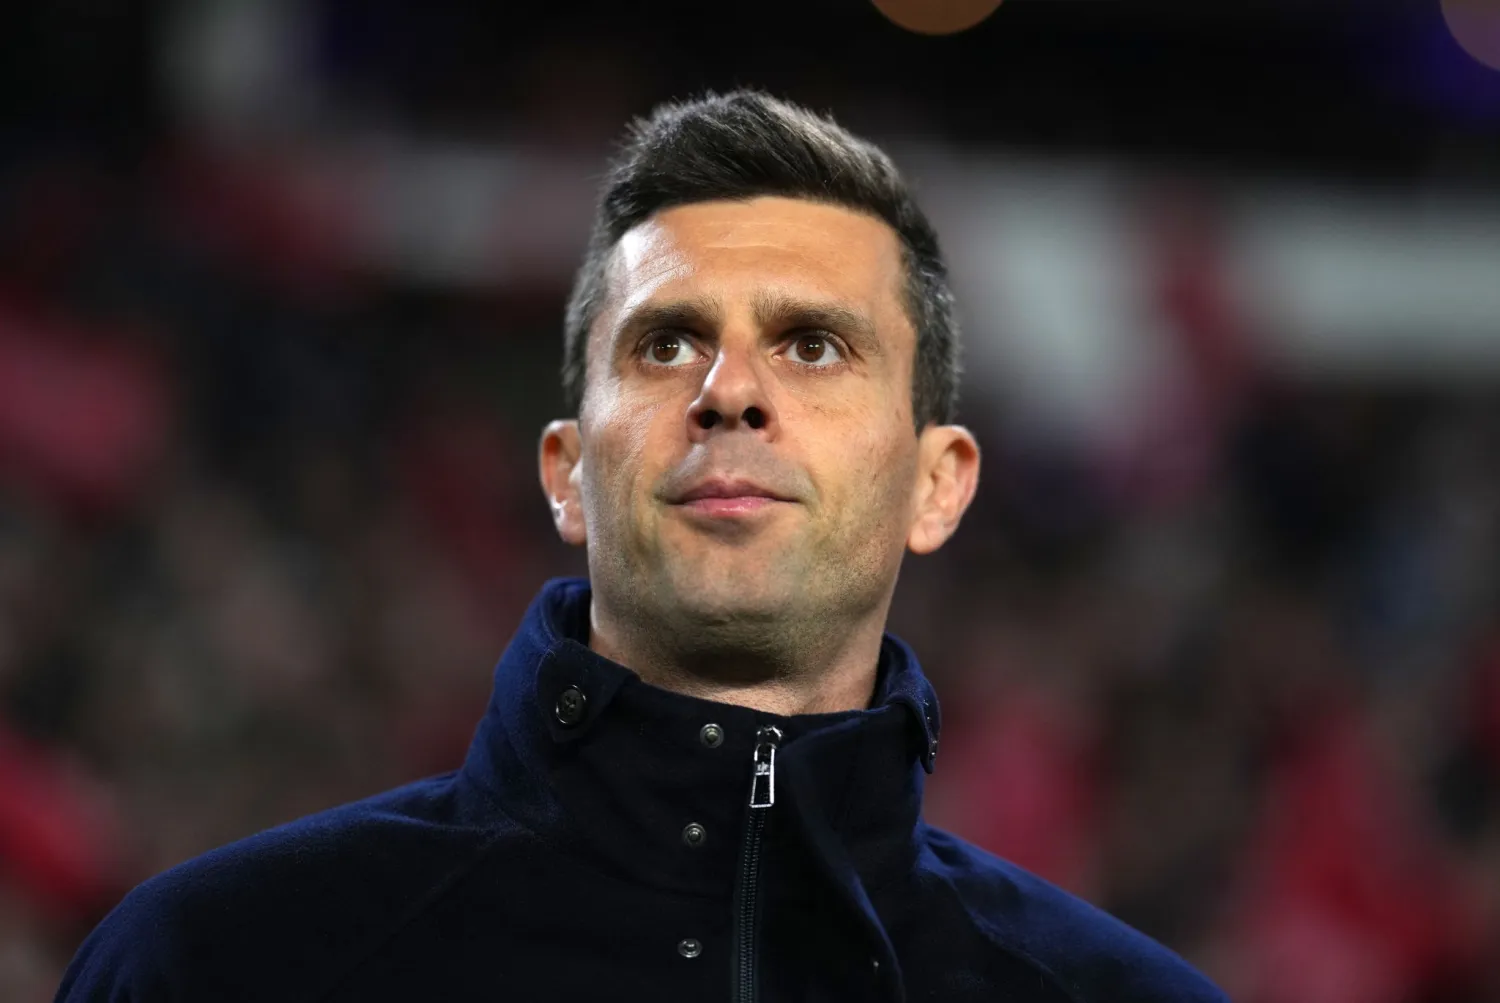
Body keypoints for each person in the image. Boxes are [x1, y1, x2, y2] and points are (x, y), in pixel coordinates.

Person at [56, 91, 1226, 1002]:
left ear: (937, 483)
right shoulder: (213, 967)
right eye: (666, 344)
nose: (730, 392)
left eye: (814, 346)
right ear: (566, 473)